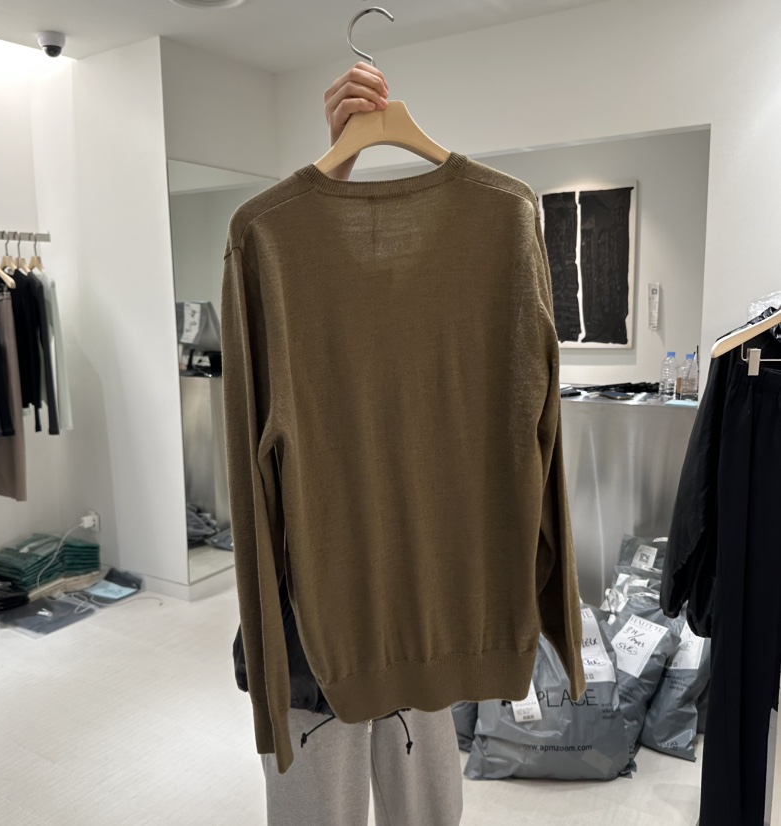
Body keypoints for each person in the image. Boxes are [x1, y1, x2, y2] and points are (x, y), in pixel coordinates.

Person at [231, 62, 464, 826]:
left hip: (421, 611)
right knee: (318, 809)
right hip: (311, 623)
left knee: (426, 806)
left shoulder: (463, 267)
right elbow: (255, 471)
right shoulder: (273, 256)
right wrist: (335, 173)